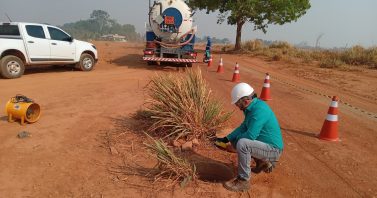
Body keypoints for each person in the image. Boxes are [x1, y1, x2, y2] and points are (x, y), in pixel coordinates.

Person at [216, 82, 284, 192]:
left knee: (242, 144)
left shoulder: (259, 111)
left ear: (246, 100)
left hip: (273, 150)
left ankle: (243, 181)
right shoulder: (253, 107)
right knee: (238, 140)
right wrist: (227, 138)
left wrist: (235, 143)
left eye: (238, 104)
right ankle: (263, 163)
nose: (237, 107)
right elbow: (244, 126)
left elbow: (251, 135)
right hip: (266, 146)